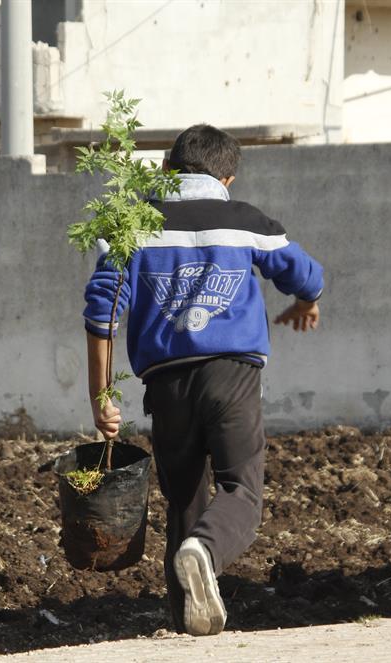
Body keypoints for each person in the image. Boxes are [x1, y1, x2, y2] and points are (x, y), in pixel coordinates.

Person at [81, 124, 323, 636]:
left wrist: (100, 397)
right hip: (231, 375)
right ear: (228, 178)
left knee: (184, 499)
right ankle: (206, 551)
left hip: (165, 385)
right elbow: (306, 273)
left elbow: (103, 311)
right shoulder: (245, 221)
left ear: (167, 169)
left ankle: (188, 623)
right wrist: (307, 301)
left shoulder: (133, 226)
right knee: (242, 490)